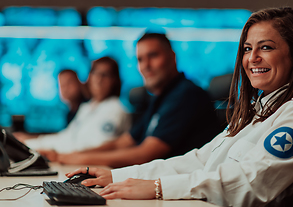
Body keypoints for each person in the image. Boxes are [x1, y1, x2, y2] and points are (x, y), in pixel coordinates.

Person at [66, 7, 293, 207]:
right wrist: (118, 176)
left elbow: (250, 182)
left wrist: (158, 188)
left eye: (267, 47)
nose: (252, 58)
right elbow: (200, 160)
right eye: (248, 48)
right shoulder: (259, 111)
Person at [54, 33, 221, 168]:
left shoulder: (186, 95)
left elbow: (145, 154)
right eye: (140, 59)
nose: (146, 65)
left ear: (172, 57)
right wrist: (75, 156)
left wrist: (76, 159)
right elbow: (123, 143)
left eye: (153, 56)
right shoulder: (159, 99)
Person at [14, 57, 131, 154]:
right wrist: (29, 142)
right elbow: (67, 137)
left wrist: (37, 147)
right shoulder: (88, 107)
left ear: (115, 80)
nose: (98, 80)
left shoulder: (115, 109)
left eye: (105, 75)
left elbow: (92, 148)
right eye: (95, 73)